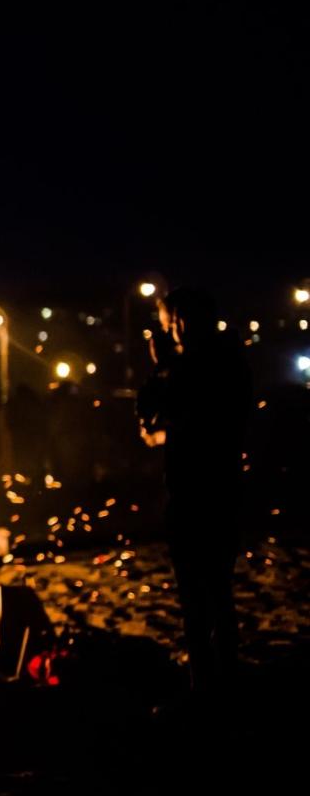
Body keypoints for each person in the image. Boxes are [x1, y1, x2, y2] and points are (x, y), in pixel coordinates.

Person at [142, 287, 251, 697]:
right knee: (210, 591)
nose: (173, 330)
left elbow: (195, 422)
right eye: (171, 322)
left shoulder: (213, 365)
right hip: (203, 488)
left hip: (207, 489)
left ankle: (211, 686)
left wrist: (163, 374)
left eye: (175, 321)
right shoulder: (217, 360)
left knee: (204, 593)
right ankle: (217, 680)